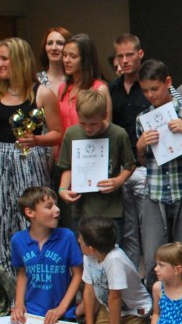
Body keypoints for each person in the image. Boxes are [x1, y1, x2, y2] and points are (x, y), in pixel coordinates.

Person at [0, 37, 63, 269]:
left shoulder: (42, 93)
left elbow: (57, 133)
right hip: (0, 161)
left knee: (33, 218)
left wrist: (36, 140)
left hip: (30, 159)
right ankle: (9, 277)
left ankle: (38, 275)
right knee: (1, 219)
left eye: (5, 59)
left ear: (19, 60)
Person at [135, 59, 182, 274]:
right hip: (155, 193)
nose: (150, 95)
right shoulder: (143, 118)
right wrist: (140, 146)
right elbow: (144, 162)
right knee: (153, 255)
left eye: (154, 89)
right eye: (145, 90)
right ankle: (156, 295)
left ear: (167, 82)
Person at [9, 186, 83, 324]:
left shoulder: (66, 236)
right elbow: (22, 273)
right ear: (30, 212)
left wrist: (62, 308)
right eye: (49, 207)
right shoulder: (18, 240)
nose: (57, 210)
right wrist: (19, 305)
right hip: (32, 314)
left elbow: (78, 274)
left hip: (61, 314)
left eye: (56, 205)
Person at [57, 90, 136, 234]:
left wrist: (119, 180)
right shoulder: (72, 134)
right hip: (81, 208)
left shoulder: (118, 134)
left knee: (112, 246)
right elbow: (68, 167)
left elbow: (130, 164)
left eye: (93, 124)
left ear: (104, 115)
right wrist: (62, 189)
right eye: (83, 123)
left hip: (111, 209)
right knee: (82, 246)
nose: (88, 128)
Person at [76, 217, 151, 324]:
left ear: (92, 249)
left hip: (135, 311)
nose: (78, 241)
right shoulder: (88, 256)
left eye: (81, 240)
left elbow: (115, 297)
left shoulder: (115, 259)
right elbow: (89, 291)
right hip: (108, 309)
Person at [109, 34, 150, 269]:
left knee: (149, 228)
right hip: (121, 170)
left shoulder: (150, 86)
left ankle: (150, 279)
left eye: (129, 55)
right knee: (127, 231)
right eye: (120, 56)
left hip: (146, 167)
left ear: (140, 54)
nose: (124, 61)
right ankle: (132, 277)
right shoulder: (111, 89)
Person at [57, 33, 110, 132]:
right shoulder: (63, 88)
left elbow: (106, 129)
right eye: (64, 55)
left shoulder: (99, 89)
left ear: (85, 59)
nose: (66, 60)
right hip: (66, 141)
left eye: (73, 56)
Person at [37, 26, 71, 96]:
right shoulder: (37, 80)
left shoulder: (74, 80)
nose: (54, 48)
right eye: (50, 43)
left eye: (60, 43)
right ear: (45, 47)